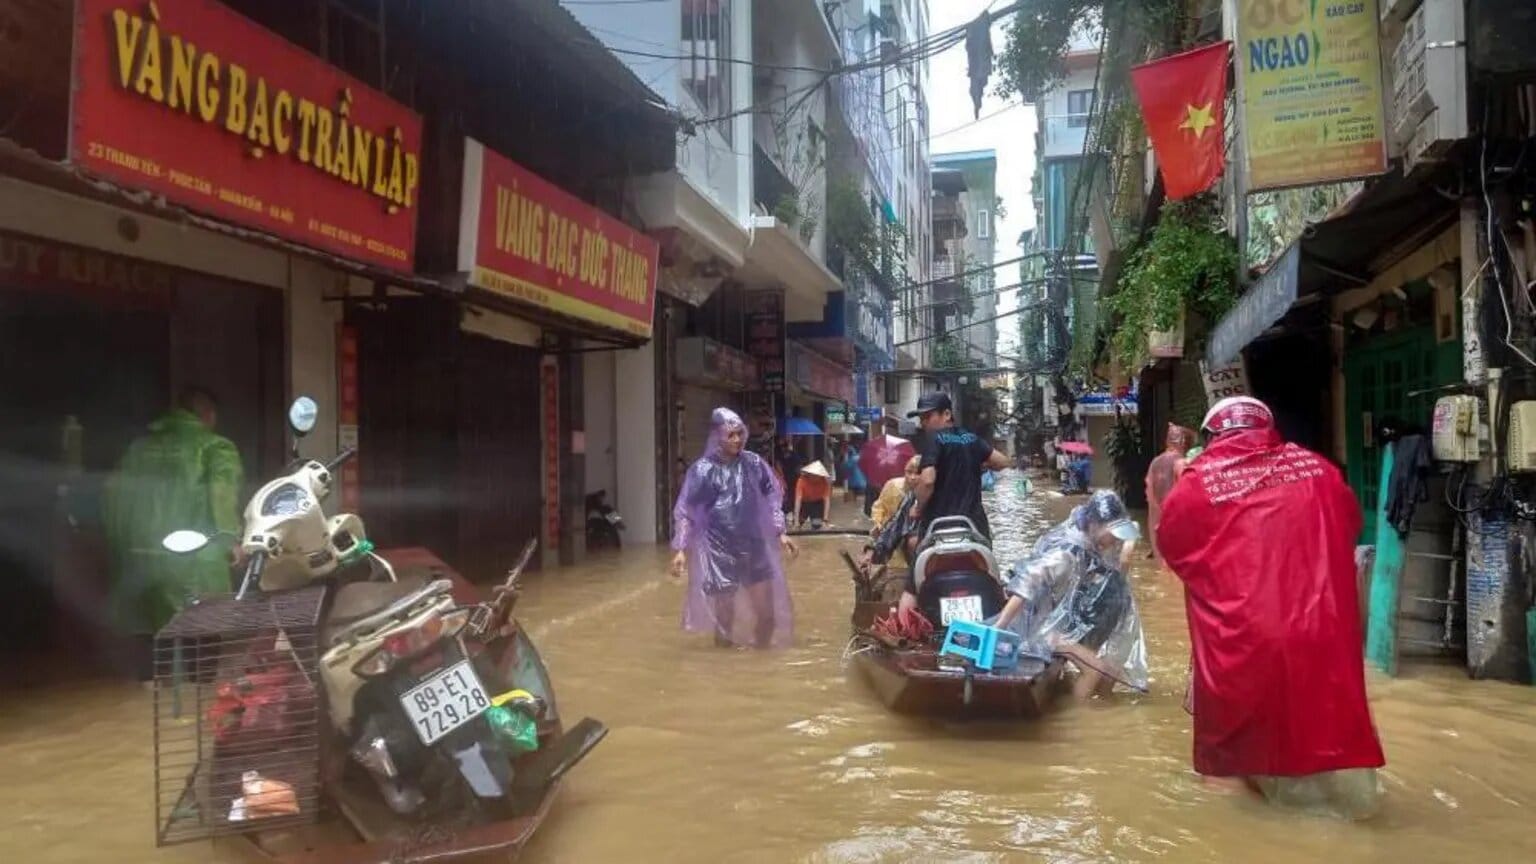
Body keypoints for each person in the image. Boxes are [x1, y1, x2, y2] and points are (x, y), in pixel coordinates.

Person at [1157, 396, 1385, 819]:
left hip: (1241, 640)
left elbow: (1174, 549)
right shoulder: (1320, 470)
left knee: (1230, 761)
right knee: (1328, 736)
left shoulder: (1196, 481)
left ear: (1212, 435)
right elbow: (1348, 526)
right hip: (1322, 633)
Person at [102, 388, 245, 679]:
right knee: (203, 635)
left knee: (151, 641)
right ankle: (197, 698)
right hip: (196, 560)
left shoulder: (137, 449)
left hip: (141, 560)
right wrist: (231, 539)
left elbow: (112, 499)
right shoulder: (215, 447)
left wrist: (121, 544)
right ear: (208, 415)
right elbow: (221, 495)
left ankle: (145, 702)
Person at [992, 490, 1149, 699]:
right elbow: (1025, 584)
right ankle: (1076, 721)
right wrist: (999, 628)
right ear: (1094, 524)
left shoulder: (1090, 542)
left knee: (1109, 669)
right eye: (1113, 533)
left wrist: (1128, 543)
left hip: (1060, 624)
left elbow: (1118, 573)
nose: (1115, 541)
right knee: (1094, 669)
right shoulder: (1066, 552)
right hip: (1040, 628)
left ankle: (1088, 707)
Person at [671, 408, 798, 649]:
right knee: (724, 619)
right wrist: (681, 548)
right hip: (720, 550)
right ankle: (725, 668)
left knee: (767, 615)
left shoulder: (753, 463)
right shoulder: (702, 470)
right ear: (717, 435)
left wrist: (780, 531)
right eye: (731, 435)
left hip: (754, 546)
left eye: (740, 433)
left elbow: (772, 494)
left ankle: (759, 662)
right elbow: (686, 510)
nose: (737, 439)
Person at [898, 392, 1011, 613]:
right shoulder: (971, 439)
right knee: (992, 579)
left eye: (927, 417)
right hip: (974, 527)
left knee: (912, 588)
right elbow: (1003, 462)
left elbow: (928, 480)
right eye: (921, 418)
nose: (924, 423)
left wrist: (917, 508)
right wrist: (978, 464)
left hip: (937, 528)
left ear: (947, 414)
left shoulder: (933, 440)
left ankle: (905, 633)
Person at [1144, 424, 1196, 561]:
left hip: (1158, 520)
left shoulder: (1155, 462)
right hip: (1176, 521)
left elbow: (1150, 494)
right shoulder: (1183, 463)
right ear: (1185, 443)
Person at [870, 455, 922, 535]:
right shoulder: (893, 485)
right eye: (909, 472)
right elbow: (879, 507)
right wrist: (878, 524)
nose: (912, 477)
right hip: (889, 530)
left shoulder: (927, 491)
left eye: (917, 473)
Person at [794, 461, 833, 528]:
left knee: (816, 525)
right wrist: (796, 520)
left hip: (817, 504)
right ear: (809, 474)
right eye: (814, 475)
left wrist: (825, 519)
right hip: (804, 503)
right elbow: (798, 500)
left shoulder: (824, 482)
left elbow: (827, 500)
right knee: (799, 523)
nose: (816, 477)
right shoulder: (801, 481)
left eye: (818, 475)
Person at [841, 439, 867, 505]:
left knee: (853, 502)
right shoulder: (862, 458)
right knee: (862, 502)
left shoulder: (851, 460)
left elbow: (844, 469)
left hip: (854, 484)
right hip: (864, 483)